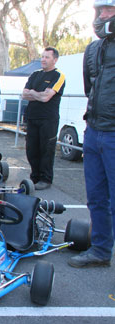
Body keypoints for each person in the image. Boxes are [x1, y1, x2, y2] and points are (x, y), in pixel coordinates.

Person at [68, 1, 115, 268]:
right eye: (101, 11)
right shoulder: (92, 49)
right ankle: (100, 250)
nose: (104, 15)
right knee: (96, 197)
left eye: (110, 10)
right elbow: (90, 88)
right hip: (94, 131)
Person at [22, 47, 65, 190]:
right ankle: (34, 177)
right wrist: (37, 94)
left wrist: (33, 93)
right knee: (31, 149)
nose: (43, 59)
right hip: (32, 117)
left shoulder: (58, 76)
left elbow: (46, 97)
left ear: (55, 59)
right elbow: (24, 94)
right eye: (42, 56)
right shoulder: (35, 74)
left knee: (46, 150)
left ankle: (45, 179)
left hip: (48, 119)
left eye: (47, 57)